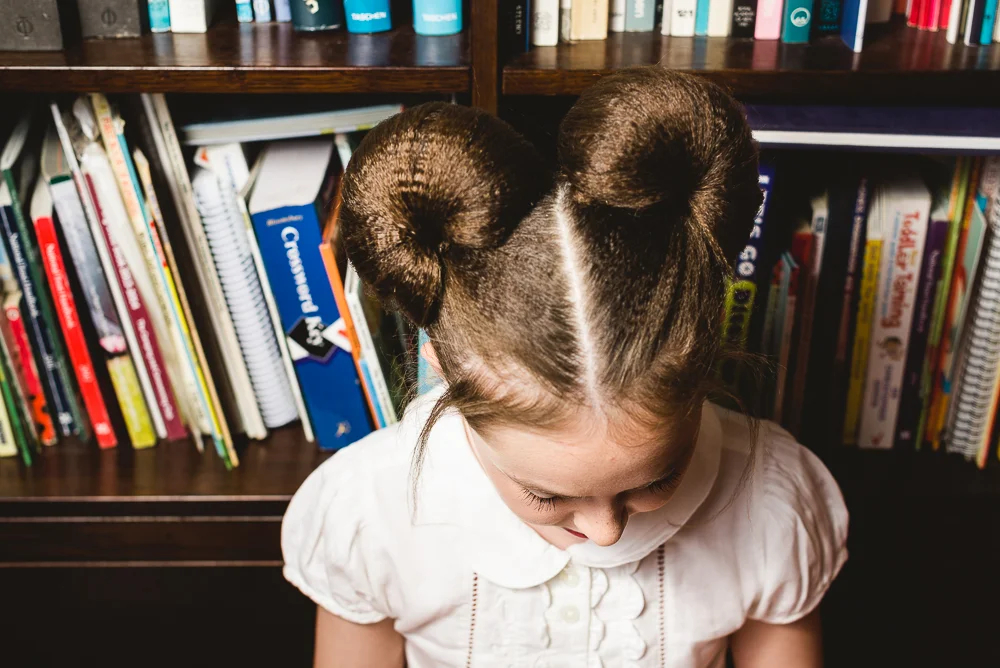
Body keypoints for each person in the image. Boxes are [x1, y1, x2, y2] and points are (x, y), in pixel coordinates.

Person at [282, 67, 848, 668]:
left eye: (656, 479)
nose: (606, 532)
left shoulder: (772, 499)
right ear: (443, 367)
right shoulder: (374, 513)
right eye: (545, 494)